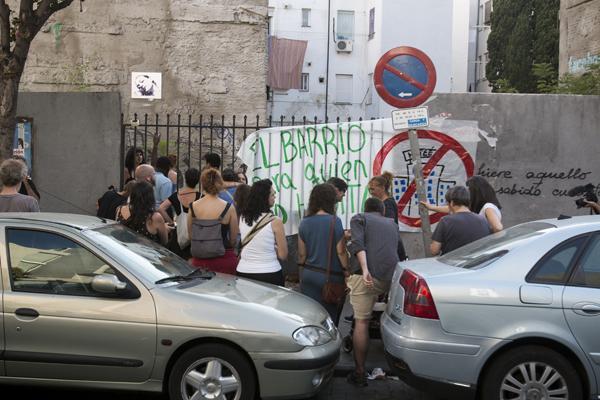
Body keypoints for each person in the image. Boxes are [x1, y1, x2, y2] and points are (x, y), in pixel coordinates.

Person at [346, 198, 401, 387]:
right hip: (389, 278)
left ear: (366, 209)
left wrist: (365, 269)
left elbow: (357, 244)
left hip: (365, 277)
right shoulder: (392, 224)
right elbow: (398, 252)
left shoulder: (359, 218)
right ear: (382, 211)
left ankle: (360, 372)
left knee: (361, 322)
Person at [298, 183, 349, 324]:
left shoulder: (304, 222)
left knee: (310, 316)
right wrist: (346, 272)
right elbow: (341, 252)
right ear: (331, 200)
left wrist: (301, 274)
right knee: (330, 318)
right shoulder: (335, 222)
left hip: (309, 275)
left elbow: (302, 255)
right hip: (330, 278)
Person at [188, 168, 239, 274]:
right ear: (220, 183)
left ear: (202, 184)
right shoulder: (229, 208)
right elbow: (234, 239)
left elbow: (191, 235)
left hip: (200, 261)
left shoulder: (193, 207)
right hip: (224, 259)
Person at [237, 179, 287, 285]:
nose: (275, 197)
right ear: (265, 197)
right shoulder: (275, 221)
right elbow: (283, 255)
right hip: (269, 273)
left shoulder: (242, 218)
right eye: (273, 194)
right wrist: (275, 248)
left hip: (244, 272)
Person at [430, 186, 491, 256]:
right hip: (477, 264)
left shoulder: (445, 221)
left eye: (447, 203)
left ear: (452, 203)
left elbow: (434, 251)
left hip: (451, 265)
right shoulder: (483, 220)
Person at [158, 168, 201, 258]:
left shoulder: (177, 195)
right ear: (198, 181)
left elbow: (161, 208)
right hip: (195, 236)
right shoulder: (201, 197)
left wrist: (171, 222)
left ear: (185, 179)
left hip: (178, 234)